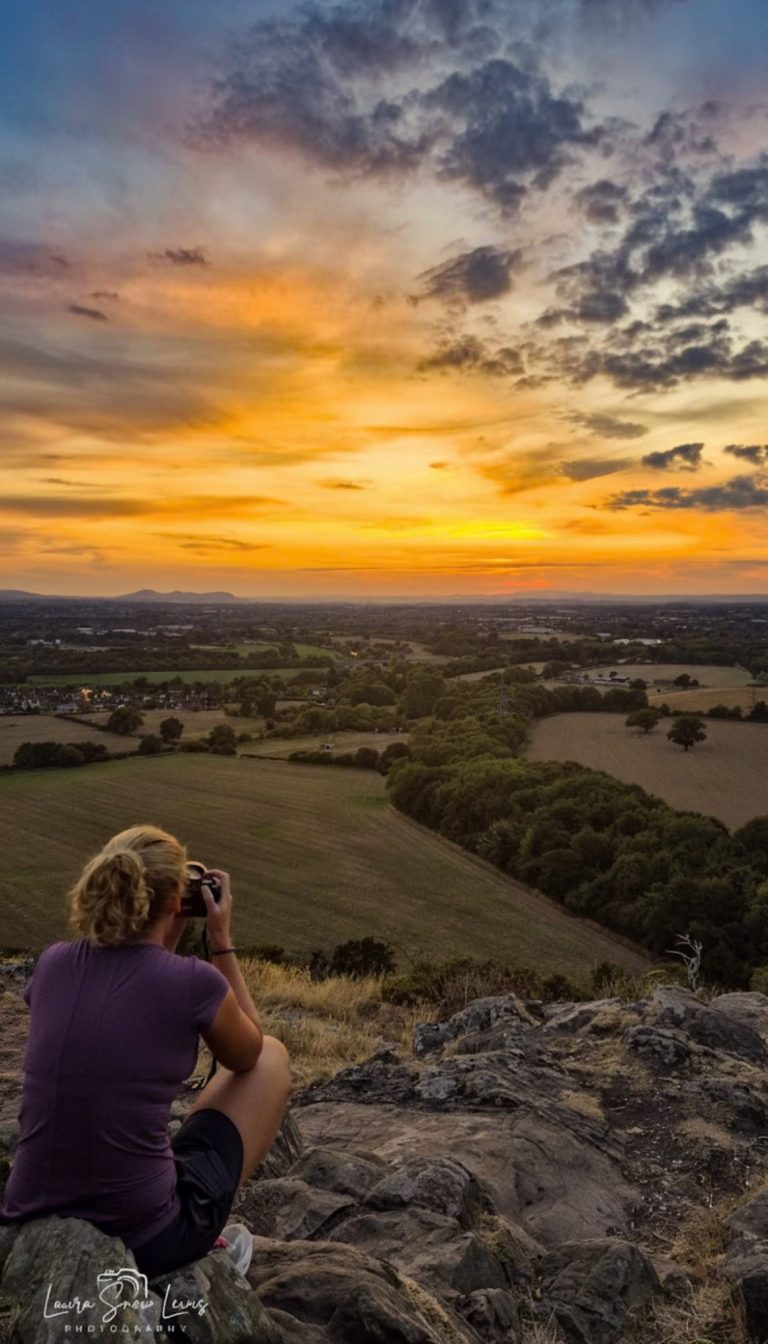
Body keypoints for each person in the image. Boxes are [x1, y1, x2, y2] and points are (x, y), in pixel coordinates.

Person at [0, 824, 291, 1279]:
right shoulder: (192, 982)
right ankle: (202, 1249)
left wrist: (163, 931)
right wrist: (220, 939)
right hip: (148, 1239)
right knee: (273, 1057)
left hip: (29, 1210)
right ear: (178, 900)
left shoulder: (53, 961)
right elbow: (248, 1053)